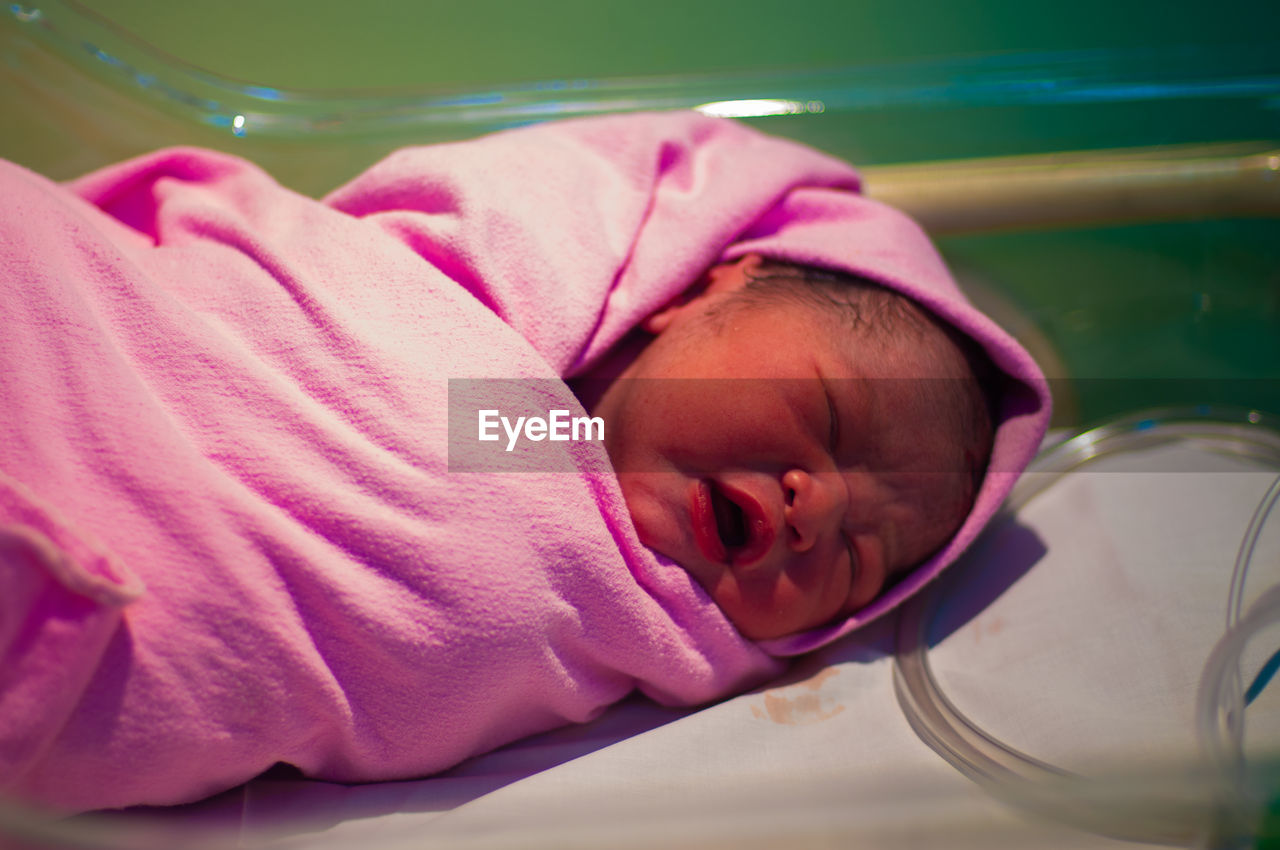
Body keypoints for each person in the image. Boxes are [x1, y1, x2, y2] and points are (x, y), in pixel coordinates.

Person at [0, 111, 1050, 812]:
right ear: (710, 286)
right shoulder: (471, 308)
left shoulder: (637, 654)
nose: (815, 503)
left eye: (860, 555)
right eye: (830, 412)